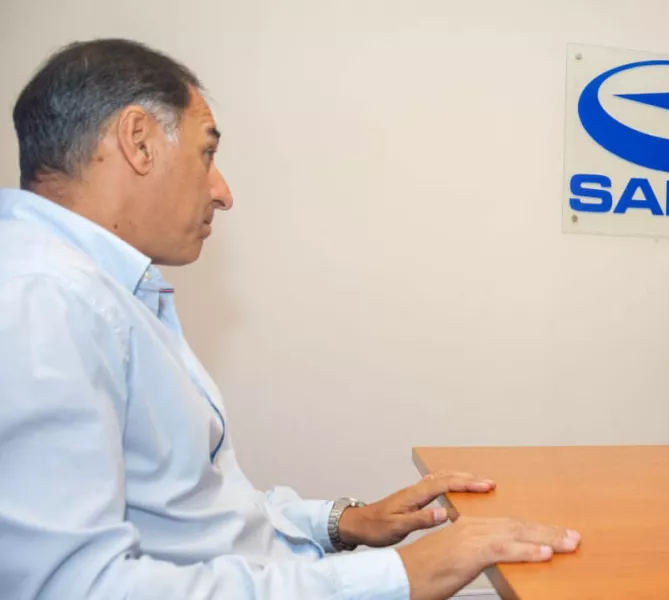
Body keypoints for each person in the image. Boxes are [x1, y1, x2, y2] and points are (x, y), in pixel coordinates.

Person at [0, 39, 579, 600]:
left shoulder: (91, 290)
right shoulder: (42, 299)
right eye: (207, 154)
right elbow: (69, 588)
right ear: (139, 142)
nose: (222, 192)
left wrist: (346, 522)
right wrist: (403, 574)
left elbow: (196, 516)